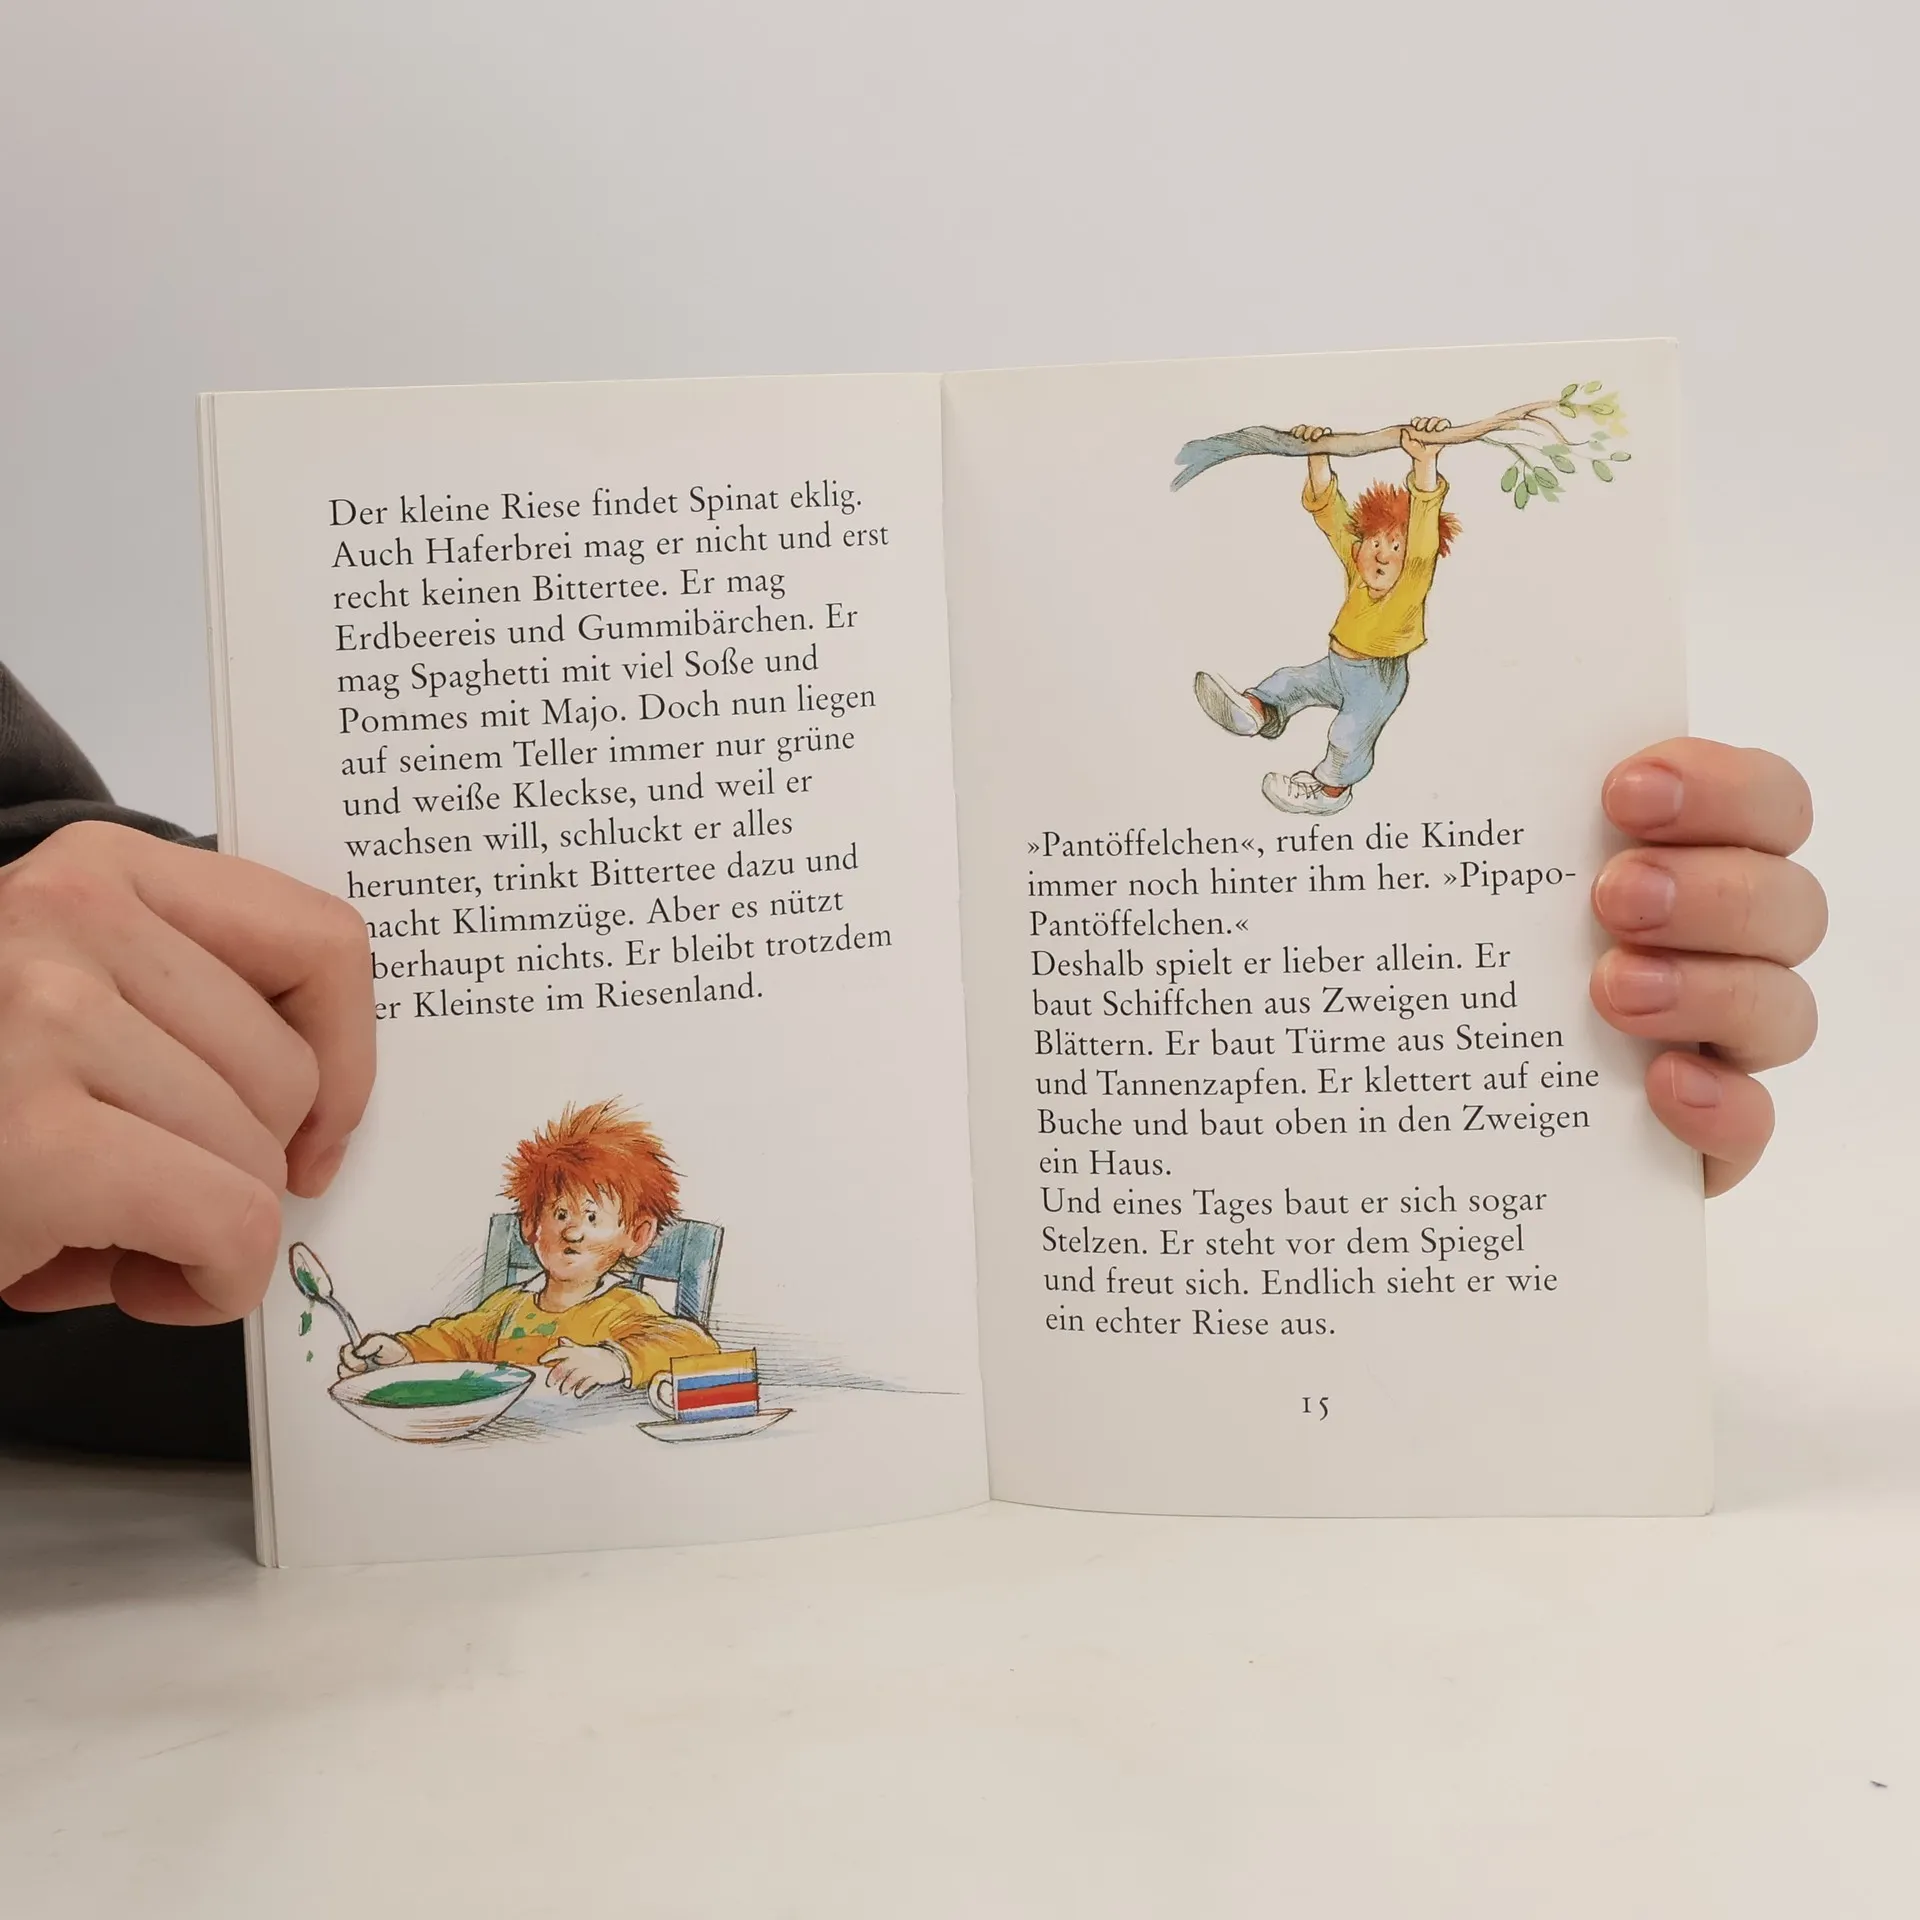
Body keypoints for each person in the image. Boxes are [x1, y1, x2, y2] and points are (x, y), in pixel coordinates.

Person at [0, 662, 1825, 1458]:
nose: (566, 1243)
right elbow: (476, 1332)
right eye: (561, 1221)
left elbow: (72, 1047)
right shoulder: (542, 1299)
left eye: (586, 1224)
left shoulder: (633, 1308)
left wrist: (1448, 1072)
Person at [336, 1100, 718, 1395]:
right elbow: (456, 1339)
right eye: (560, 1214)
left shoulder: (625, 1308)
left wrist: (615, 1360)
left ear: (636, 1235)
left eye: (591, 1217)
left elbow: (695, 1345)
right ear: (531, 1226)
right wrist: (404, 1352)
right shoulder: (507, 1307)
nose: (573, 1232)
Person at [1193, 418, 1457, 815]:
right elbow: (1332, 516)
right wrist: (1317, 454)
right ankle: (1256, 713)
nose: (1382, 554)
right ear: (1360, 546)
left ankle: (1329, 793)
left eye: (1395, 547)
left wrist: (1425, 462)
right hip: (1336, 668)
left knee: (1348, 735)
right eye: (1374, 542)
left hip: (1378, 681)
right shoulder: (1358, 567)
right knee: (1289, 681)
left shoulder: (1410, 584)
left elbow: (1422, 538)